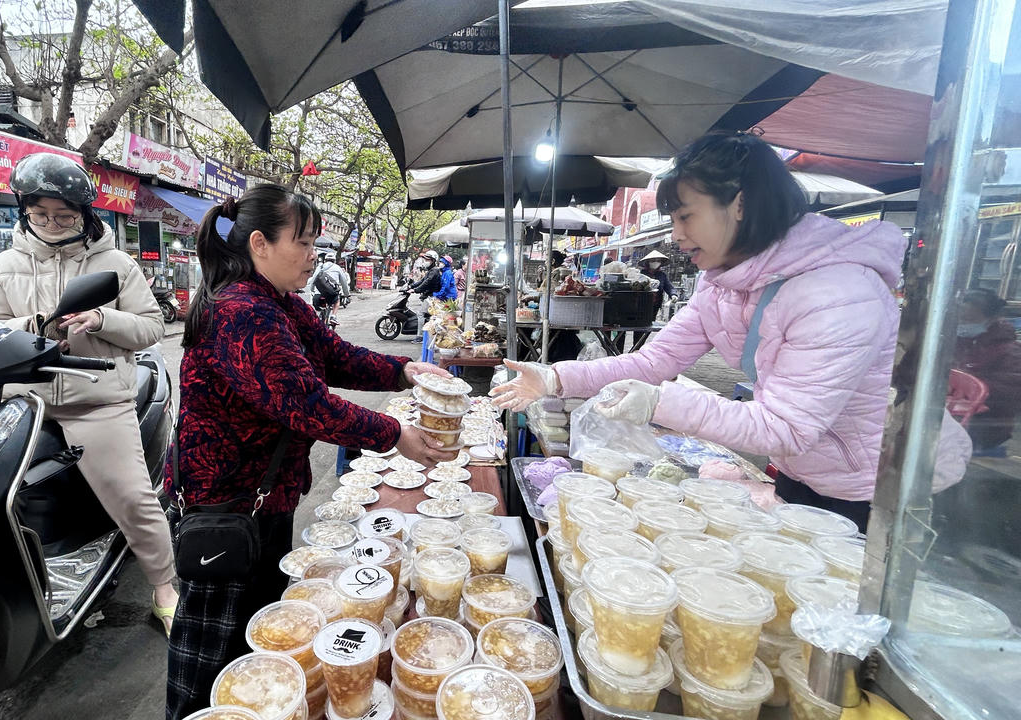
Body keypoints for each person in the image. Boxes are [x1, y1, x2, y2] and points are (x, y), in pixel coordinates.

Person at [492, 131, 910, 530]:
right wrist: (555, 377)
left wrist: (659, 403)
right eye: (673, 219)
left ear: (740, 203)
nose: (676, 235)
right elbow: (655, 360)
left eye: (687, 216)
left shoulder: (838, 292)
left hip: (869, 495)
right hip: (800, 472)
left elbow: (786, 427)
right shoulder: (722, 283)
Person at [166, 185, 454, 718]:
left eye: (314, 242)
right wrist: (396, 435)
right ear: (260, 244)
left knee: (264, 639)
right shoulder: (241, 312)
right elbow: (305, 404)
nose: (313, 255)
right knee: (212, 658)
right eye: (302, 242)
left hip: (262, 496)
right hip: (224, 502)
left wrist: (403, 370)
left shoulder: (281, 302)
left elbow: (334, 355)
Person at [0, 152, 180, 634]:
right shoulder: (3, 266)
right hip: (25, 402)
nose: (51, 224)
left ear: (84, 214)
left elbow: (151, 327)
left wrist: (101, 319)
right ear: (24, 210)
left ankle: (165, 587)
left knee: (132, 497)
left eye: (64, 216)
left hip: (96, 399)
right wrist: (32, 327)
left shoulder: (116, 263)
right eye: (40, 214)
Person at [952, 289, 1021, 454]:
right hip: (952, 418)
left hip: (984, 428)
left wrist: (964, 385)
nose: (963, 324)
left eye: (969, 320)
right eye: (961, 319)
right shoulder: (959, 341)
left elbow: (1008, 393)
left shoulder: (1010, 351)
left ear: (992, 320)